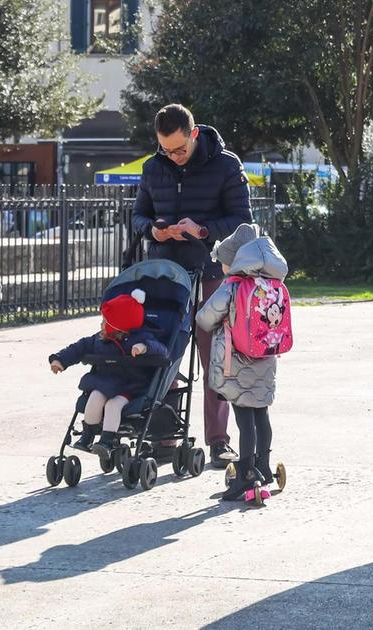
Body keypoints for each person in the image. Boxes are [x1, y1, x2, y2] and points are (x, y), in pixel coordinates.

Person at [132, 104, 252, 467]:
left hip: (211, 270)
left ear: (194, 134)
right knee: (160, 351)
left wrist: (201, 230)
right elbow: (139, 214)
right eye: (166, 150)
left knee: (216, 354)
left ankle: (218, 440)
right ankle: (165, 435)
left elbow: (242, 220)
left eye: (179, 149)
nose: (174, 157)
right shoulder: (154, 167)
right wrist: (153, 229)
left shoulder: (227, 165)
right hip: (165, 274)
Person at [195, 224, 287, 502]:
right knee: (262, 415)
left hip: (237, 363)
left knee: (244, 419)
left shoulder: (232, 286)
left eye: (223, 261)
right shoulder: (272, 284)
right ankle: (263, 467)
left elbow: (205, 318)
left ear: (235, 260)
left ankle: (245, 475)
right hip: (266, 360)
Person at [49, 290, 168, 457]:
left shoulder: (140, 338)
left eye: (105, 321)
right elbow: (79, 347)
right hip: (105, 383)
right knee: (95, 397)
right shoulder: (100, 339)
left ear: (118, 325)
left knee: (113, 406)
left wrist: (144, 347)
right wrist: (60, 360)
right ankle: (88, 434)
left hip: (130, 387)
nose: (101, 325)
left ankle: (107, 440)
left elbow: (161, 350)